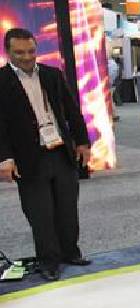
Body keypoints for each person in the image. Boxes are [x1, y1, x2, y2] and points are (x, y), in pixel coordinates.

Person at [0, 28, 92, 281]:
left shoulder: (52, 75)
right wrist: (5, 159)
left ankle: (70, 252)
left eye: (31, 51)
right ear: (8, 52)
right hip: (29, 158)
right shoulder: (2, 81)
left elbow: (73, 111)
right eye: (20, 53)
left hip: (61, 152)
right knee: (40, 214)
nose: (27, 57)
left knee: (67, 208)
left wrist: (83, 143)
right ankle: (49, 261)